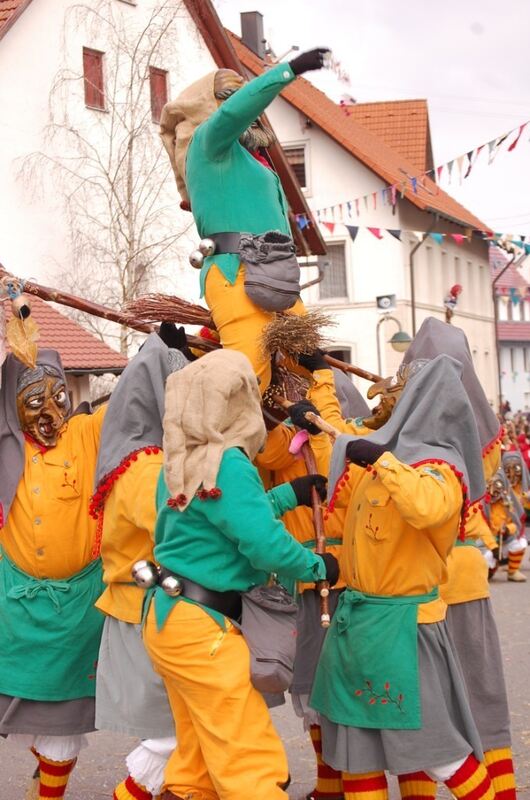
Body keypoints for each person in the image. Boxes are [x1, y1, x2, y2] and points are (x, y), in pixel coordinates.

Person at [293, 355, 495, 800]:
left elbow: (426, 506)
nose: (393, 401)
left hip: (405, 630)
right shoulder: (390, 456)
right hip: (358, 624)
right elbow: (342, 467)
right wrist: (313, 417)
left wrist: (383, 461)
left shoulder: (441, 466)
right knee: (356, 748)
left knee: (436, 750)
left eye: (404, 393)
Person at [141, 349, 339, 800]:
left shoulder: (181, 459)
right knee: (250, 759)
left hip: (170, 618)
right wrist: (316, 567)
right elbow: (262, 542)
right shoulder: (226, 462)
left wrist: (287, 496)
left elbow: (217, 520)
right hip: (204, 629)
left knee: (196, 761)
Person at [394, 316, 516, 800]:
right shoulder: (483, 429)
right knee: (481, 693)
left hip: (419, 581)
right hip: (463, 574)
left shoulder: (404, 427)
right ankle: (500, 791)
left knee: (423, 703)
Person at [160, 48, 329, 392]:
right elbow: (237, 112)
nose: (253, 117)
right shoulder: (208, 144)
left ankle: (316, 443)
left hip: (276, 276)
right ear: (213, 107)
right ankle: (226, 442)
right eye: (234, 102)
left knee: (315, 372)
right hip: (235, 273)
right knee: (247, 382)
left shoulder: (252, 159)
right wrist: (288, 71)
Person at [256, 369, 370, 800]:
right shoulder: (281, 445)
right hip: (304, 578)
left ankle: (357, 778)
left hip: (349, 576)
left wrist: (318, 417)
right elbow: (266, 457)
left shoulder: (343, 436)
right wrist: (291, 424)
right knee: (311, 684)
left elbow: (339, 452)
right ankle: (329, 783)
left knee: (350, 685)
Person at [0, 350, 106, 800]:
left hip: (78, 611)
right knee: (23, 713)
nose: (50, 411)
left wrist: (164, 352)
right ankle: (44, 773)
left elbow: (139, 398)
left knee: (61, 719)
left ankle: (48, 791)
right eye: (33, 400)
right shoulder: (7, 447)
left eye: (58, 396)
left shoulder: (85, 432)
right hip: (15, 609)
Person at [93, 331, 190, 800]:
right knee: (170, 733)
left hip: (160, 609)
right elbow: (178, 528)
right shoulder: (143, 465)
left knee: (187, 733)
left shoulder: (149, 458)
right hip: (146, 613)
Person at [487, 465, 527, 582]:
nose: (493, 491)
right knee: (486, 558)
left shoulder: (507, 502)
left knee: (521, 542)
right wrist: (492, 545)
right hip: (486, 544)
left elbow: (515, 523)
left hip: (503, 539)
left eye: (497, 486)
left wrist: (508, 529)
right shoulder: (482, 505)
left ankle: (513, 571)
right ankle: (489, 570)